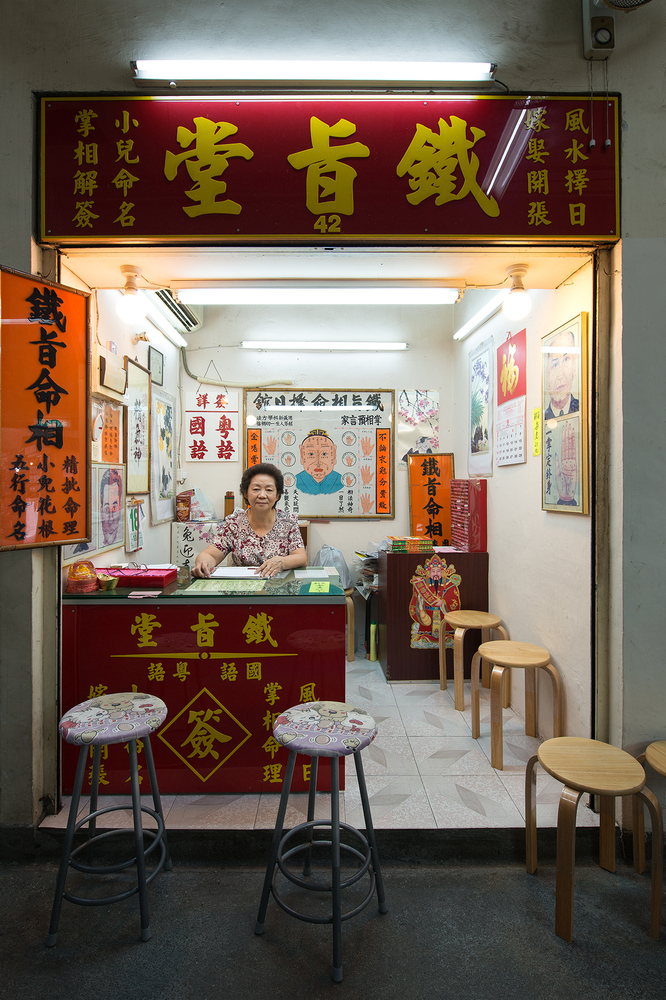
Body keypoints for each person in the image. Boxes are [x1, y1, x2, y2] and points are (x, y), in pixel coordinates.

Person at [192, 463, 307, 579]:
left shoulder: (288, 522)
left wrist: (282, 562)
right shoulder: (234, 523)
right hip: (241, 590)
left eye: (269, 490)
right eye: (256, 489)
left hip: (278, 590)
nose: (262, 495)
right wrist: (203, 562)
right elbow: (210, 554)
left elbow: (301, 557)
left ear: (277, 495)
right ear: (246, 493)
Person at [295, 429, 344, 494]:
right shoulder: (295, 480)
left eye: (324, 454)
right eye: (311, 454)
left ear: (334, 455)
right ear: (302, 455)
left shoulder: (341, 480)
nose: (318, 463)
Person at [544, 329, 579, 419]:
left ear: (574, 367)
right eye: (555, 365)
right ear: (547, 376)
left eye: (566, 360)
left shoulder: (580, 408)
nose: (560, 375)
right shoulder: (544, 417)